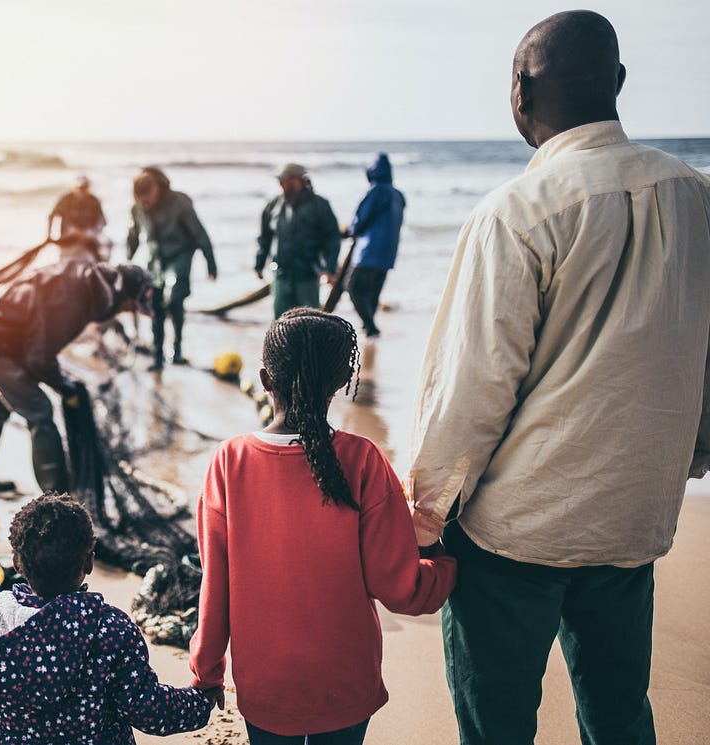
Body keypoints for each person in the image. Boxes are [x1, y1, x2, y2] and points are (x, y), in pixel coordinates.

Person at [407, 10, 710, 745]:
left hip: (516, 533)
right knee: (619, 715)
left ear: (520, 91)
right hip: (633, 518)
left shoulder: (517, 213)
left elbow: (472, 390)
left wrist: (423, 517)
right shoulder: (697, 197)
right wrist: (690, 458)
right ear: (620, 83)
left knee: (497, 724)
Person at [189, 308, 457, 744]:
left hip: (266, 685)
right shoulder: (364, 459)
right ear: (338, 385)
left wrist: (207, 669)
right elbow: (400, 589)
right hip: (346, 682)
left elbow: (215, 587)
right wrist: (446, 564)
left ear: (264, 379)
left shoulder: (228, 462)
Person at [0, 493, 220, 744]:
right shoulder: (111, 629)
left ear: (17, 563)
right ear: (90, 562)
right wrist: (198, 701)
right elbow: (147, 709)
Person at [0, 260, 154, 493]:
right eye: (129, 306)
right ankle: (55, 496)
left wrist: (63, 382)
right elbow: (39, 358)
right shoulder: (74, 298)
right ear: (120, 293)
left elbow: (37, 345)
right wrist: (65, 388)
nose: (125, 311)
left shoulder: (87, 281)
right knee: (40, 411)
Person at [127, 166, 217, 370]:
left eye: (147, 198)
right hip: (155, 260)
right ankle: (158, 358)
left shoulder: (179, 202)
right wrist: (128, 261)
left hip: (180, 256)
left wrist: (210, 262)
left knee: (175, 299)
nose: (144, 203)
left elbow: (200, 233)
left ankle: (177, 350)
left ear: (157, 188)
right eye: (140, 200)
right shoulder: (137, 208)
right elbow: (133, 234)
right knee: (154, 305)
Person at [255, 163, 341, 319]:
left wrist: (330, 268)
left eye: (284, 180)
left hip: (308, 275)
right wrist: (259, 263)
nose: (280, 184)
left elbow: (332, 238)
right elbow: (264, 237)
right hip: (281, 275)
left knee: (311, 322)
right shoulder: (273, 205)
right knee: (280, 324)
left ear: (297, 180)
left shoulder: (319, 205)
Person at [345, 153, 406, 337]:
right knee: (372, 292)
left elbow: (361, 219)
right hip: (388, 252)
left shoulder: (376, 192)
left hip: (369, 251)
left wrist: (351, 231)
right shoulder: (398, 195)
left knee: (353, 287)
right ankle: (369, 327)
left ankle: (370, 327)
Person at [46, 175, 110, 261]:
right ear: (74, 187)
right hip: (68, 237)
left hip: (89, 238)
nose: (82, 190)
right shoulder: (66, 199)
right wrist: (49, 234)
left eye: (84, 187)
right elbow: (52, 216)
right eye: (80, 187)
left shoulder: (94, 201)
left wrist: (90, 233)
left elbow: (102, 221)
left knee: (106, 246)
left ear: (88, 187)